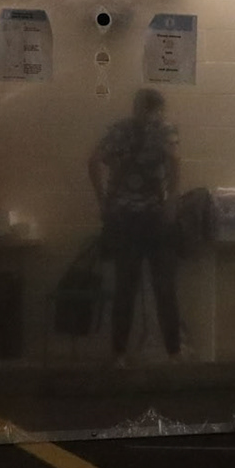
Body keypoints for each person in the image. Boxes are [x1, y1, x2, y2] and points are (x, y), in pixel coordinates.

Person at [88, 87, 182, 363]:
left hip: (124, 216)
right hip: (155, 217)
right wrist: (171, 203)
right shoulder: (164, 130)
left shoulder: (119, 130)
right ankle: (174, 352)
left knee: (125, 287)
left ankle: (118, 354)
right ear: (159, 108)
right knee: (164, 287)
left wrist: (103, 200)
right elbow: (175, 162)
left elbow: (93, 161)